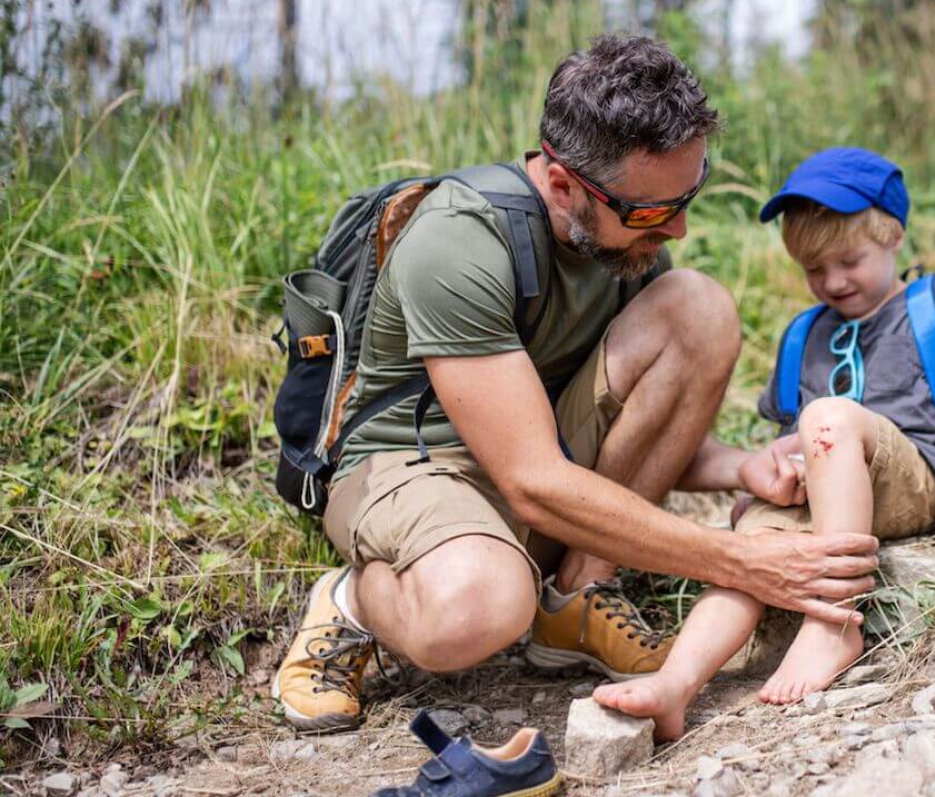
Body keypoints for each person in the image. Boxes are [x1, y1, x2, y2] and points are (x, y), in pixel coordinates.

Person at [272, 38, 879, 732]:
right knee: (480, 604)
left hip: (534, 448)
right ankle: (350, 603)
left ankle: (575, 598)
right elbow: (532, 478)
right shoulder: (457, 241)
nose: (677, 225)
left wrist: (744, 467)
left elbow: (626, 418)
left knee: (698, 308)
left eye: (689, 195)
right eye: (652, 212)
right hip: (413, 464)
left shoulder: (628, 237)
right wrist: (743, 561)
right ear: (562, 186)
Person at [594, 147, 935, 739]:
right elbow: (790, 437)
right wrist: (774, 482)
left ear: (893, 236)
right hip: (828, 492)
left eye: (849, 260)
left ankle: (835, 622)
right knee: (748, 558)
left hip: (915, 480)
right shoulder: (806, 333)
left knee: (830, 416)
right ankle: (677, 684)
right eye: (814, 269)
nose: (832, 281)